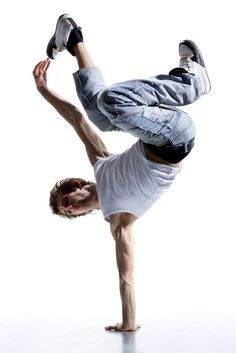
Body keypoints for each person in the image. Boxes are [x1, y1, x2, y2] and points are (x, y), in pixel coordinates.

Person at [33, 13, 210, 332]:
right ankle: (191, 82)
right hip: (176, 138)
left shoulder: (101, 162)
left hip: (158, 131)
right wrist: (128, 323)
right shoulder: (119, 219)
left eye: (66, 201)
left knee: (99, 114)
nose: (71, 208)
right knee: (111, 101)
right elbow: (126, 276)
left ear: (75, 185)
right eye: (69, 212)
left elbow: (75, 117)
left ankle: (73, 39)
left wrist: (43, 90)